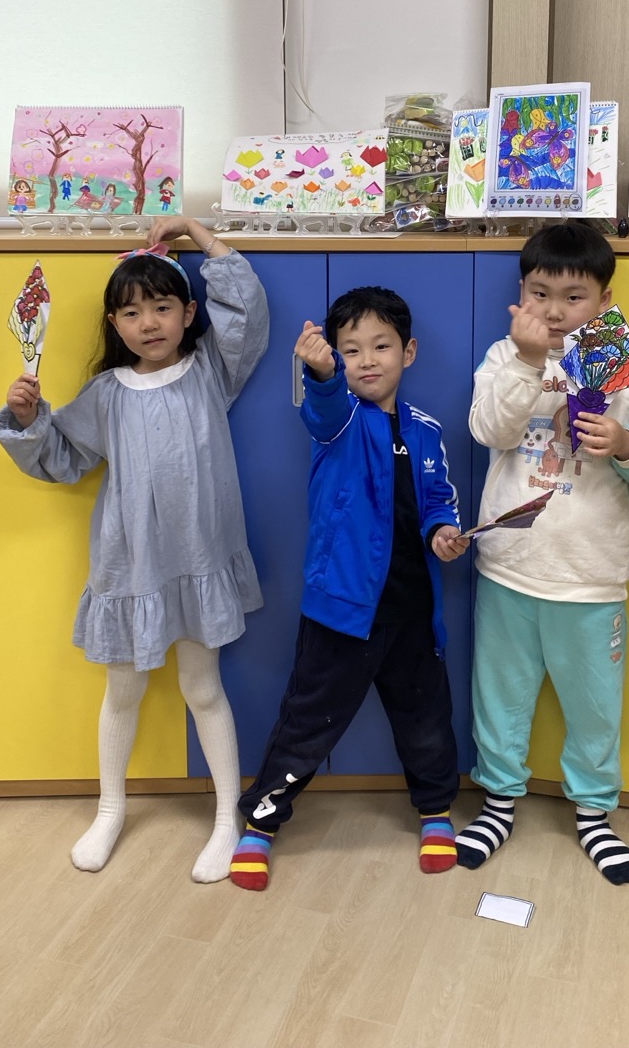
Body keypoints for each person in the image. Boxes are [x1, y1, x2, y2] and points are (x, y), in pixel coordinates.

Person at [0, 216, 268, 881]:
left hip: (199, 562)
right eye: (132, 312)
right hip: (132, 565)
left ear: (188, 313)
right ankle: (110, 809)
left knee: (203, 687)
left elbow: (247, 311)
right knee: (123, 690)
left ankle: (226, 818)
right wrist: (28, 420)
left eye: (162, 307)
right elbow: (62, 457)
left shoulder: (210, 371)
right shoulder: (107, 394)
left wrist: (197, 232)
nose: (149, 323)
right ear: (115, 324)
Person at [458, 221, 629, 882]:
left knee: (594, 706)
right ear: (520, 295)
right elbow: (488, 430)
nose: (555, 311)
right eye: (540, 293)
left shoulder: (622, 366)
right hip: (508, 569)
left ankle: (593, 812)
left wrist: (627, 444)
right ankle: (498, 800)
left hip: (590, 580)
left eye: (574, 296)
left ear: (605, 301)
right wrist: (528, 363)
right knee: (499, 697)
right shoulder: (504, 357)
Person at [229, 286, 468, 890]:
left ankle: (436, 811)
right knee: (306, 722)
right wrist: (321, 373)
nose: (367, 359)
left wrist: (444, 532)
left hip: (412, 610)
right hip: (340, 610)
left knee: (426, 719)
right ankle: (260, 822)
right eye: (351, 349)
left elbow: (438, 501)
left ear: (408, 353)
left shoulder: (426, 429)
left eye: (381, 346)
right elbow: (325, 405)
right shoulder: (336, 421)